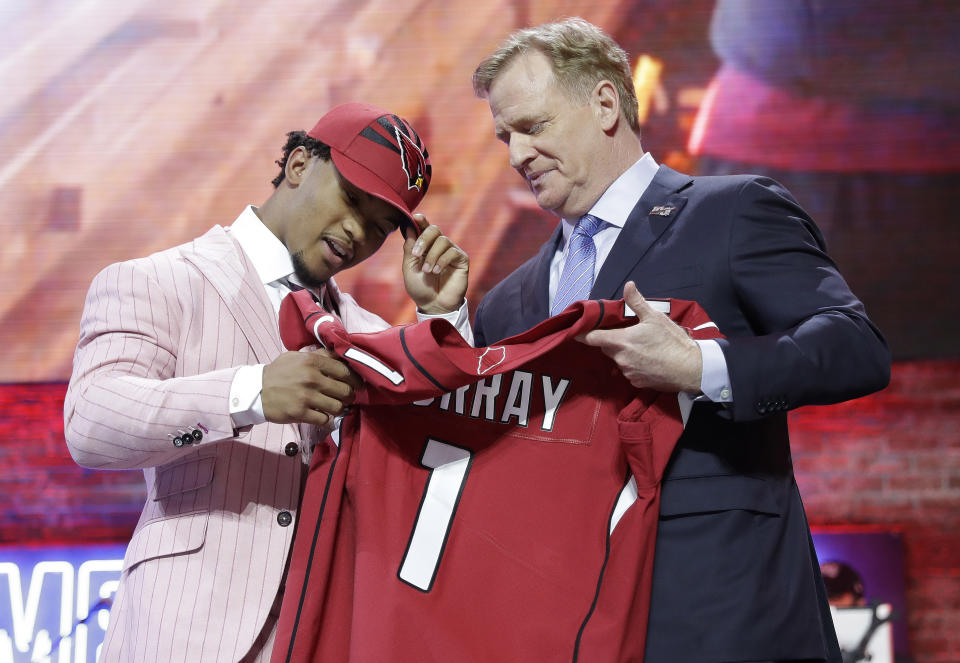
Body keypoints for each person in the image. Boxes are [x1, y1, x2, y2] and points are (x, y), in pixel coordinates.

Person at [471, 18, 890, 663]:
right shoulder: (506, 301)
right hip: (571, 627)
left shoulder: (732, 212)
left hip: (724, 617)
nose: (517, 155)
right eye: (505, 137)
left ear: (605, 102)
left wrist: (701, 365)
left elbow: (853, 347)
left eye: (534, 126)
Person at [63, 102, 470, 663]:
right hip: (181, 635)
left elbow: (451, 453)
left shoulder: (365, 334)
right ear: (300, 163)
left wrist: (442, 319)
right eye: (352, 200)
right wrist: (249, 395)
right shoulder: (158, 281)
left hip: (325, 636)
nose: (358, 232)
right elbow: (92, 422)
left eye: (380, 228)